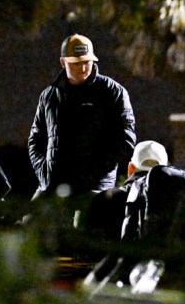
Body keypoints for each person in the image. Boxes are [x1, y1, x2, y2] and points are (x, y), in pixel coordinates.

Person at [27, 33, 137, 201]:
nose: (83, 67)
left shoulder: (112, 92)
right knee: (29, 216)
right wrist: (45, 175)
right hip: (53, 188)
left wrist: (93, 175)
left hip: (94, 190)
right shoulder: (49, 96)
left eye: (87, 62)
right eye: (77, 63)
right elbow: (35, 140)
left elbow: (126, 139)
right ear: (63, 62)